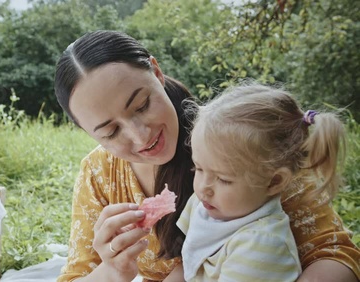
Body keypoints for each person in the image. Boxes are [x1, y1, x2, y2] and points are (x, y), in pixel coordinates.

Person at [54, 30, 360, 282]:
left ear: (157, 72)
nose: (140, 136)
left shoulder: (243, 141)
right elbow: (77, 274)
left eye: (142, 105)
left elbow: (334, 255)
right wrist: (111, 271)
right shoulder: (99, 173)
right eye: (110, 132)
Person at [175, 83, 349, 281]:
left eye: (223, 179)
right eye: (198, 168)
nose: (203, 188)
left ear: (274, 182)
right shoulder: (205, 205)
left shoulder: (261, 244)